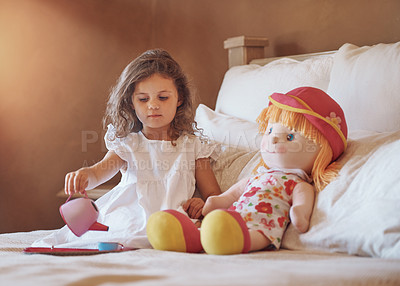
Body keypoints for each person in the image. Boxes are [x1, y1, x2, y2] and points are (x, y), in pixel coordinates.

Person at [32, 49, 221, 249]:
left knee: (192, 236)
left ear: (179, 98)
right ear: (131, 103)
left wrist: (203, 205)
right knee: (117, 237)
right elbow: (100, 171)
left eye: (163, 98)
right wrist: (85, 175)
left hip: (173, 220)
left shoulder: (194, 147)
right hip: (130, 217)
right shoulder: (128, 144)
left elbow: (214, 195)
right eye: (143, 99)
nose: (153, 105)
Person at [147, 86, 347, 254]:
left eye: (290, 137)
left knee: (239, 234)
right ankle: (188, 239)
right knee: (214, 229)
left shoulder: (298, 184)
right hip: (234, 218)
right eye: (270, 131)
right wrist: (216, 201)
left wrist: (299, 214)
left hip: (263, 228)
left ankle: (229, 241)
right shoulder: (257, 176)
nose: (273, 139)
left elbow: (302, 206)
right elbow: (232, 194)